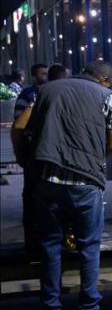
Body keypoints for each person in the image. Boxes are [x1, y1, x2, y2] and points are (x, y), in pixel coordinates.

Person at [24, 60, 112, 310]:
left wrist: (26, 160)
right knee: (89, 247)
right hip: (86, 183)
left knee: (50, 246)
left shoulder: (45, 90)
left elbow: (24, 128)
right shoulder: (107, 96)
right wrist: (91, 157)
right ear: (104, 80)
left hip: (48, 180)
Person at [10, 64, 48, 256]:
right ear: (34, 76)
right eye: (42, 73)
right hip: (32, 151)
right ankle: (32, 244)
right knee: (32, 194)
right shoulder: (27, 95)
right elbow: (19, 123)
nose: (45, 76)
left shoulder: (49, 93)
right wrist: (19, 153)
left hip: (42, 151)